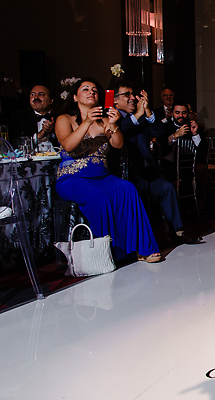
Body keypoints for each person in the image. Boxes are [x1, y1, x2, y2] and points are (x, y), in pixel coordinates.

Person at [54, 78, 162, 262]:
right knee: (100, 197)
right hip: (73, 179)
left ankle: (143, 249)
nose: (91, 92)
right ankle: (107, 254)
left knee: (127, 188)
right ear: (74, 97)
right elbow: (68, 145)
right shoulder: (65, 119)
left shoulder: (105, 120)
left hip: (102, 177)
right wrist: (87, 122)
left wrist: (113, 124)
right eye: (85, 89)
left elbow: (118, 144)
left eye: (95, 90)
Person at [112, 84, 203, 244]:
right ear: (115, 100)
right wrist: (138, 114)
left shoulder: (140, 118)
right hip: (126, 175)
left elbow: (159, 132)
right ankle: (137, 238)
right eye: (127, 94)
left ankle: (178, 231)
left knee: (167, 187)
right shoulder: (112, 117)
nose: (133, 98)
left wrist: (147, 112)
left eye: (133, 94)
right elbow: (122, 131)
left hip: (147, 172)